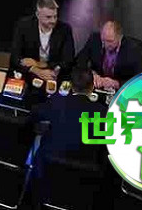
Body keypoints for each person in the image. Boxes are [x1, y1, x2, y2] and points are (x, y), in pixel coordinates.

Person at [31, 66, 111, 201]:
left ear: (71, 87)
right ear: (92, 87)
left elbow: (35, 113)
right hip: (85, 178)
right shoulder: (103, 112)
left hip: (49, 170)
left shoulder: (57, 102)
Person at [10, 0, 75, 80]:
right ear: (38, 15)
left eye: (55, 16)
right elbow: (15, 57)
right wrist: (35, 70)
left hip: (53, 73)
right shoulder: (24, 25)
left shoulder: (65, 29)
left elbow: (68, 60)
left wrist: (39, 64)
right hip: (29, 73)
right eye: (48, 17)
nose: (53, 21)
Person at [77, 21, 142, 90]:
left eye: (110, 41)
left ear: (120, 37)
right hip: (97, 88)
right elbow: (79, 62)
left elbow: (140, 80)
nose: (106, 45)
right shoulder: (94, 39)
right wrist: (91, 75)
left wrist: (116, 83)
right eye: (103, 40)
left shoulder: (133, 49)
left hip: (120, 91)